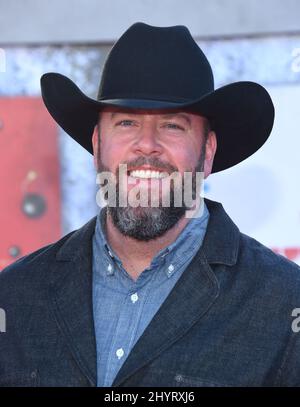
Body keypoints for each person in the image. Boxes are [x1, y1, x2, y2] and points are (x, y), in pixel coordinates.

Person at [1, 22, 300, 388]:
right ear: (97, 145)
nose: (146, 145)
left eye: (173, 126)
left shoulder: (283, 303)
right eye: (126, 122)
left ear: (207, 152)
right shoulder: (15, 296)